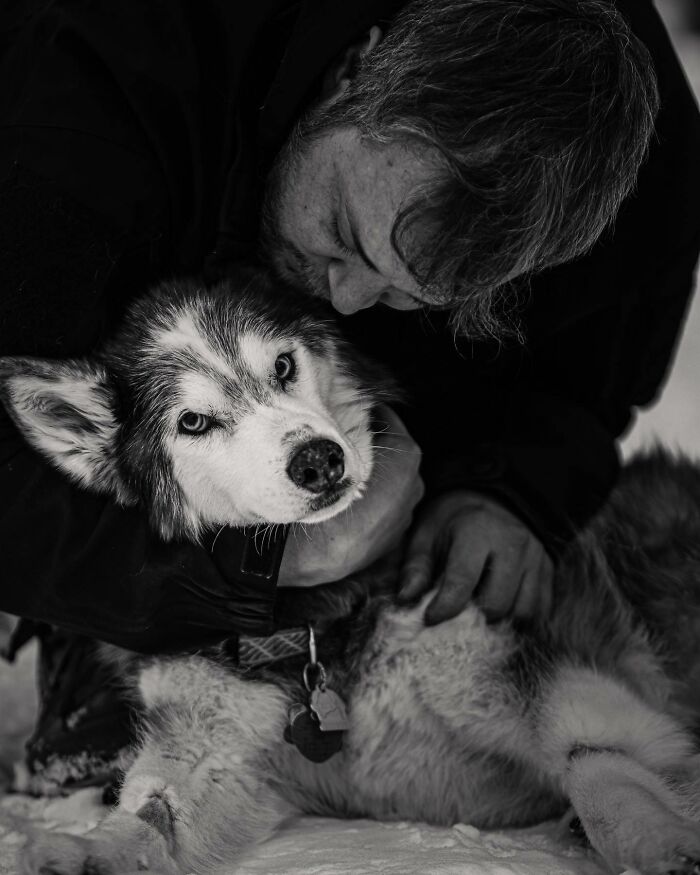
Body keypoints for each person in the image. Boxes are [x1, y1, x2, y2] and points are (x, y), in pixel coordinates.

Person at [0, 0, 698, 789]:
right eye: (342, 229)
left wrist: (516, 489)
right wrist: (248, 568)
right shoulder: (89, 88)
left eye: (411, 293)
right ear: (351, 69)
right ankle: (96, 639)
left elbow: (587, 385)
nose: (346, 296)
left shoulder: (649, 180)